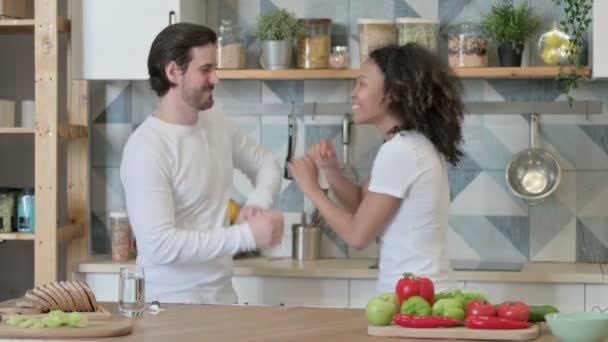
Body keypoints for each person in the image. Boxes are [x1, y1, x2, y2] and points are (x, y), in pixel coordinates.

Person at [120, 23, 284, 304]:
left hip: (222, 300)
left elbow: (266, 163)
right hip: (169, 309)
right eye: (206, 69)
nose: (215, 79)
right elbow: (160, 245)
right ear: (174, 72)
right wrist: (245, 236)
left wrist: (256, 204)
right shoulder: (147, 147)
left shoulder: (216, 124)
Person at [289, 44, 464, 294]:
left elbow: (357, 236)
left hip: (416, 299)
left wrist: (311, 189)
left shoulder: (400, 151)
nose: (353, 93)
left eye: (362, 84)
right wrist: (330, 170)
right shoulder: (411, 143)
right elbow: (363, 202)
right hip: (423, 294)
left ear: (392, 93)